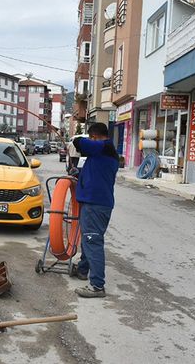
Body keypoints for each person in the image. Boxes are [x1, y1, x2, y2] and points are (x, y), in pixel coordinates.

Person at [72, 122, 119, 298]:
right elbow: (95, 172)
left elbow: (79, 143)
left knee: (93, 241)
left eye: (91, 138)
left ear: (95, 137)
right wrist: (78, 173)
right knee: (87, 239)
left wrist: (79, 140)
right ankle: (83, 270)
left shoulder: (105, 147)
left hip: (96, 205)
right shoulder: (101, 154)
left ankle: (97, 286)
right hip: (93, 203)